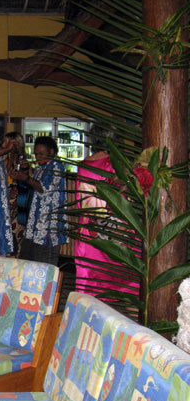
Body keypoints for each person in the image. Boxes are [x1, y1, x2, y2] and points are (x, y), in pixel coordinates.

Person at [74, 127, 139, 296]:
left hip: (90, 230)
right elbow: (125, 199)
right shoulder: (117, 164)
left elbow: (82, 200)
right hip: (117, 229)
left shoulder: (83, 165)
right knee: (128, 281)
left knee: (91, 282)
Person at [11, 136, 68, 266]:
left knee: (44, 269)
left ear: (52, 152)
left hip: (48, 229)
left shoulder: (56, 167)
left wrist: (25, 177)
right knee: (26, 265)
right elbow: (33, 186)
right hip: (34, 228)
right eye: (36, 154)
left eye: (41, 154)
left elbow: (45, 188)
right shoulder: (41, 168)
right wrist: (25, 171)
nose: (38, 157)